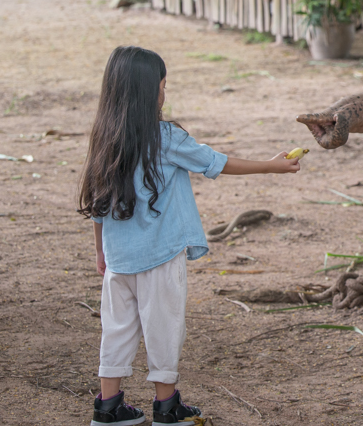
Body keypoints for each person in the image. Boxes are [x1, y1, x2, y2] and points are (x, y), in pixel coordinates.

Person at [78, 46, 302, 425]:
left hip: (118, 259)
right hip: (161, 257)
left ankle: (108, 404)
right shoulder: (165, 138)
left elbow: (99, 203)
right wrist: (272, 166)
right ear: (151, 93)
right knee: (164, 327)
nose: (165, 93)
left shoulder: (104, 138)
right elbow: (217, 162)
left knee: (115, 330)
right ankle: (167, 406)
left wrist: (101, 252)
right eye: (163, 86)